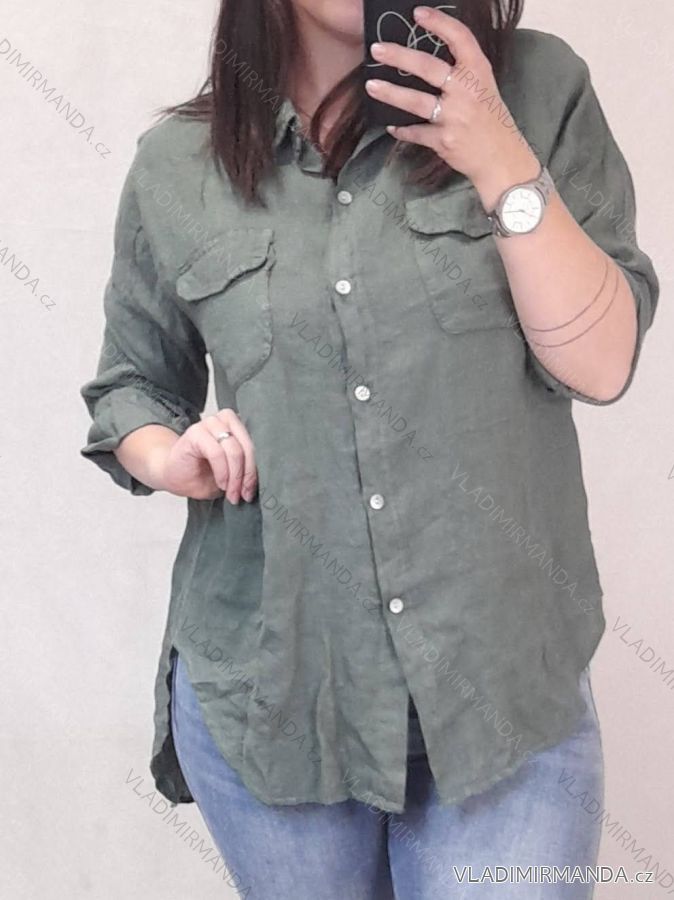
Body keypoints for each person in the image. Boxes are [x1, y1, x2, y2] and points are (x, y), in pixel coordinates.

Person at [80, 2, 659, 897]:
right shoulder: (177, 164)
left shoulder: (539, 90)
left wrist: (499, 156)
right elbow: (132, 384)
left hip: (504, 705)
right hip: (278, 702)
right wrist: (170, 456)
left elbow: (604, 361)